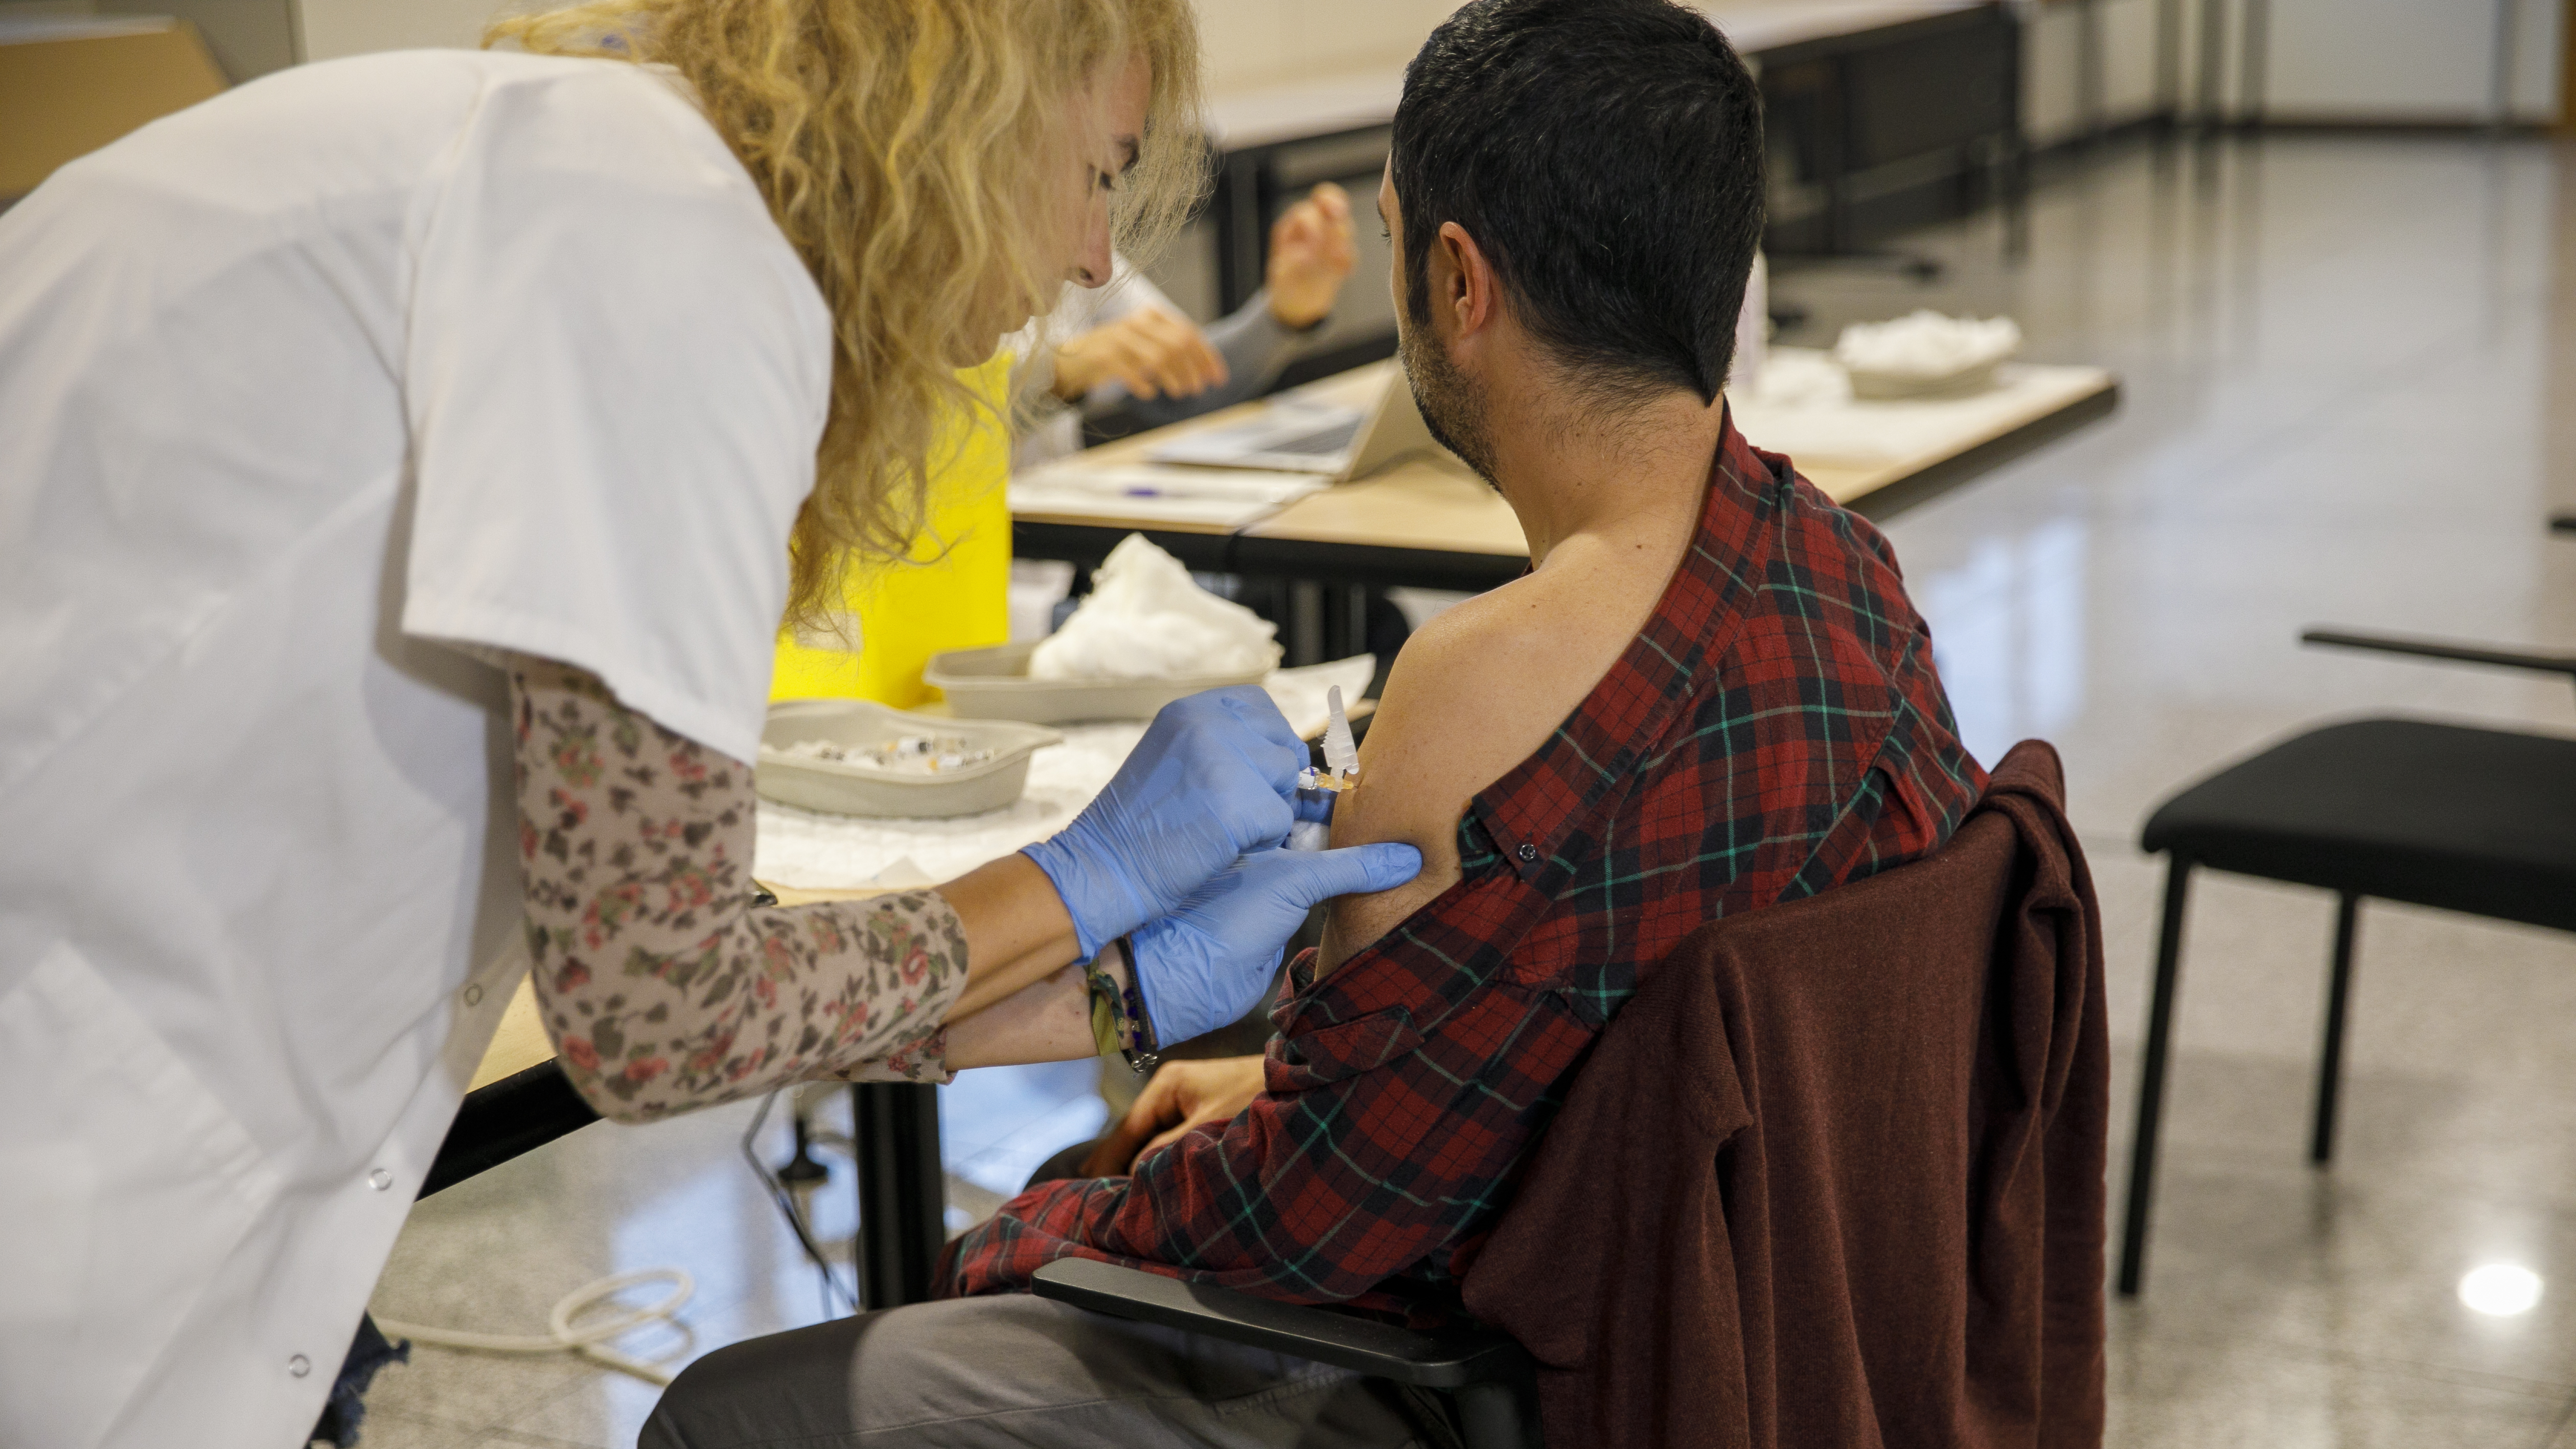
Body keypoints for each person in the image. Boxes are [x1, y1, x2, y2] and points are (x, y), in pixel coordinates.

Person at [0, 1, 1421, 1444]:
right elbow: (659, 1005)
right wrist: (1075, 882)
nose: (1095, 256)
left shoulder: (611, 191)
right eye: (1103, 171)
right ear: (969, 109)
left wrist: (1105, 991)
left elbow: (671, 946)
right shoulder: (661, 244)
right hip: (79, 1127)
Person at [638, 1, 1987, 1444]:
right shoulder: (1852, 571)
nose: (1093, 254)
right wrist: (1275, 1070)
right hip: (1771, 1332)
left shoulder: (1474, 681)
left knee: (741, 1406)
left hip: (1494, 1375)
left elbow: (1305, 1225)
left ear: (1454, 280)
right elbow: (1601, 1043)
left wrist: (1030, 1230)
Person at [1011, 183, 1360, 467]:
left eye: (1106, 180)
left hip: (1051, 537)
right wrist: (1056, 373)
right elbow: (958, 418)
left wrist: (1281, 314)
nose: (1098, 266)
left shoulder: (1081, 244)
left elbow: (1186, 378)